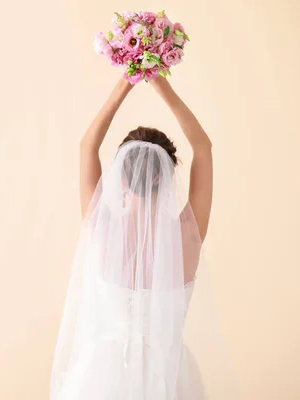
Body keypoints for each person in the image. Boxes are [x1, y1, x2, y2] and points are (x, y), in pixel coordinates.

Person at [49, 76, 216, 399]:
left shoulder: (101, 227)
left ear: (119, 178)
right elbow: (203, 148)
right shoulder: (188, 234)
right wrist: (160, 84)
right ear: (168, 178)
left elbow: (87, 146)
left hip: (103, 375)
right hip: (167, 373)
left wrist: (129, 79)